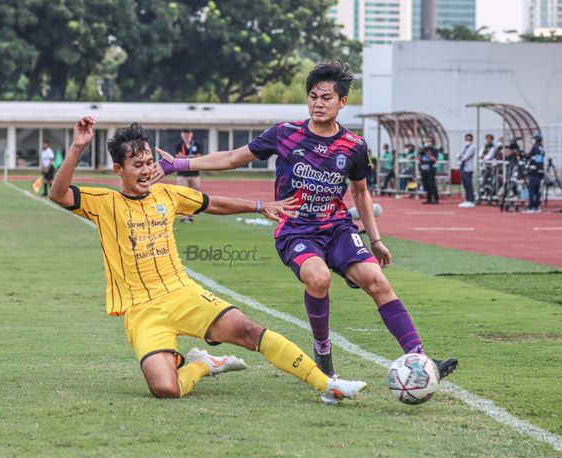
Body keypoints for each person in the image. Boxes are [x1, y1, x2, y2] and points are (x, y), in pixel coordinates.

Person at [153, 60, 457, 380]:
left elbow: (361, 193)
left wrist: (376, 240)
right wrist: (180, 165)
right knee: (319, 278)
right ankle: (322, 348)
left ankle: (420, 358)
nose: (318, 102)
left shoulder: (354, 146)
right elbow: (232, 157)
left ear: (342, 102)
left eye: (326, 97)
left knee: (377, 281)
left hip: (337, 228)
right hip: (296, 230)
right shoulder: (285, 133)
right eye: (313, 95)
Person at [49, 117, 366, 404]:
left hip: (183, 294)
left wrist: (259, 206)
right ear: (119, 170)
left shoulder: (169, 195)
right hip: (141, 311)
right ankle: (202, 364)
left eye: (149, 162)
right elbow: (59, 195)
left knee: (248, 330)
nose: (147, 170)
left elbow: (213, 204)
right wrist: (77, 147)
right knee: (165, 389)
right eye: (137, 165)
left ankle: (327, 385)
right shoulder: (105, 202)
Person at [175, 129, 203, 222]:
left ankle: (190, 214)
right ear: (182, 135)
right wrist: (191, 158)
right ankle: (183, 215)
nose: (187, 136)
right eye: (185, 134)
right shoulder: (179, 145)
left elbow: (199, 157)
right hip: (182, 174)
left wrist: (185, 158)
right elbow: (177, 157)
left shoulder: (196, 144)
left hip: (194, 174)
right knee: (182, 194)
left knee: (194, 195)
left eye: (188, 134)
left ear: (191, 134)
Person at [524, 133, 545, 213]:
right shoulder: (541, 147)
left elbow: (538, 158)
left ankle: (532, 206)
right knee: (536, 189)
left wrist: (538, 166)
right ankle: (536, 205)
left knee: (532, 189)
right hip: (539, 170)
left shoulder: (536, 147)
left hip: (534, 171)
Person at [457, 133, 476, 208]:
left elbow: (466, 157)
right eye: (467, 139)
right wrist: (460, 157)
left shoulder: (472, 147)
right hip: (463, 167)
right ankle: (467, 199)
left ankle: (471, 200)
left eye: (469, 139)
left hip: (468, 168)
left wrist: (461, 157)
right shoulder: (464, 147)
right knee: (464, 183)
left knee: (468, 184)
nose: (468, 141)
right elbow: (458, 155)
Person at [419, 137, 439, 205]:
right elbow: (420, 158)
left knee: (432, 183)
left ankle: (436, 198)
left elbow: (434, 159)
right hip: (423, 168)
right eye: (426, 141)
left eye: (429, 141)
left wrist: (428, 154)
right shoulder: (423, 150)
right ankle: (429, 198)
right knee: (426, 184)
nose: (427, 142)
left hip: (430, 168)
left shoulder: (433, 150)